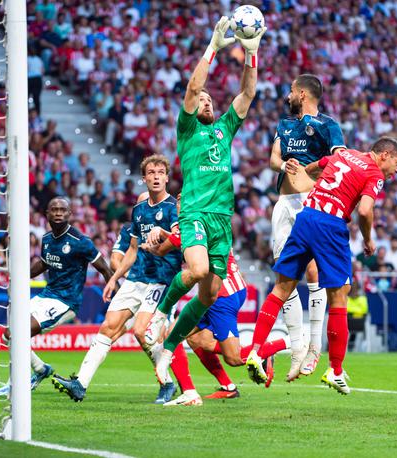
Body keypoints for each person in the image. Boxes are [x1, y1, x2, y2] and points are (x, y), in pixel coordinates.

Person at [151, 16, 266, 385]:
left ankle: (168, 347)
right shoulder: (187, 131)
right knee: (198, 271)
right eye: (200, 99)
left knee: (210, 290)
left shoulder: (223, 129)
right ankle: (162, 311)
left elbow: (247, 95)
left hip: (222, 219)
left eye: (209, 99)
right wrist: (213, 47)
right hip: (196, 212)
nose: (205, 100)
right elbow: (191, 87)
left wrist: (252, 54)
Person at [245, 137, 397, 394]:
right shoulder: (374, 172)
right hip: (331, 225)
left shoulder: (345, 155)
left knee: (281, 289)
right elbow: (365, 211)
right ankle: (335, 370)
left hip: (306, 217)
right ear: (385, 154)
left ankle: (255, 351)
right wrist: (368, 239)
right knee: (340, 295)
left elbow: (312, 168)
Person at [52, 155, 184, 403]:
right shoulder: (139, 210)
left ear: (167, 177)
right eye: (151, 173)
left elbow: (180, 242)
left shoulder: (173, 209)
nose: (155, 177)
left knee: (141, 332)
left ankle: (167, 382)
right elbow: (132, 249)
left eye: (160, 173)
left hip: (162, 281)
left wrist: (162, 240)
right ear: (143, 178)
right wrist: (114, 279)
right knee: (108, 327)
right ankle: (80, 383)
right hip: (135, 279)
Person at [141, 196, 288, 404]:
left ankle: (274, 347)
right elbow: (177, 239)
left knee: (233, 358)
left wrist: (150, 244)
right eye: (179, 203)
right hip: (228, 289)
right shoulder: (206, 220)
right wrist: (164, 233)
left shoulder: (191, 226)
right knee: (195, 339)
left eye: (183, 202)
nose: (180, 206)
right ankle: (214, 389)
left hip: (222, 297)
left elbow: (163, 249)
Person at [0, 196, 114, 398]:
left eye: (62, 210)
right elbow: (44, 263)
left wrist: (114, 292)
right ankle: (40, 369)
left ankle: (15, 384)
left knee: (19, 334)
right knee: (8, 335)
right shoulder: (47, 239)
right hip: (46, 295)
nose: (58, 213)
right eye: (54, 210)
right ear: (47, 214)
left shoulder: (81, 242)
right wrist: (21, 276)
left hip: (65, 302)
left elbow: (105, 269)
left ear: (69, 214)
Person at [269, 74, 346, 381]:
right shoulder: (284, 125)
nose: (287, 94)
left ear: (302, 93)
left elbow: (339, 160)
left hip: (311, 202)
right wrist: (283, 165)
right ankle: (297, 345)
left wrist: (313, 170)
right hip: (284, 203)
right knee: (283, 273)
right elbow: (274, 158)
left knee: (313, 272)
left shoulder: (328, 125)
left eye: (291, 90)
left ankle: (315, 347)